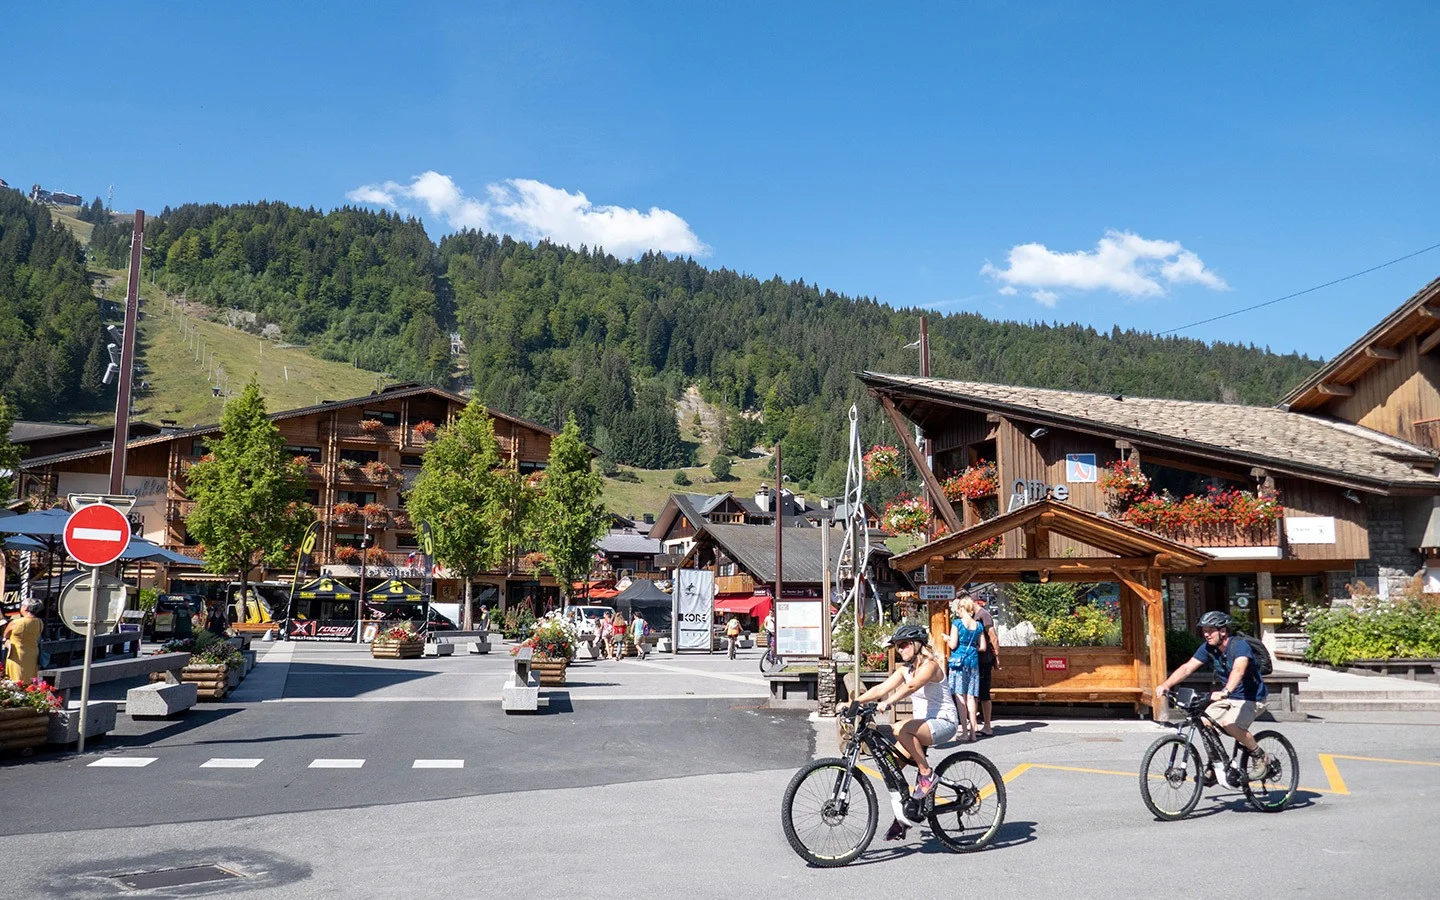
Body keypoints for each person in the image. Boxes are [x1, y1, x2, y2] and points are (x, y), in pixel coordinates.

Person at [848, 623, 959, 841]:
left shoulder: (931, 666)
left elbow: (912, 686)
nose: (900, 650)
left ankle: (927, 774)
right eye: (897, 647)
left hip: (943, 723)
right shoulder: (904, 670)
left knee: (901, 728)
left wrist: (887, 703)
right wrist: (853, 703)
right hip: (922, 727)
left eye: (904, 645)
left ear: (918, 645)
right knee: (892, 768)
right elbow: (880, 688)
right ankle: (905, 817)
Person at [1156, 610, 1273, 777]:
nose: (1206, 634)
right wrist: (1166, 684)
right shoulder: (1209, 648)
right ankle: (1217, 764)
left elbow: (1239, 670)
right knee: (1203, 722)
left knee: (1229, 723)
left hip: (1251, 698)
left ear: (1223, 631)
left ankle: (1259, 756)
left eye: (1210, 630)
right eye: (1204, 630)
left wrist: (1225, 691)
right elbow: (1187, 667)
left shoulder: (1239, 646)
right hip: (1229, 698)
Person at [945, 597, 984, 742]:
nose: (957, 612)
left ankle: (965, 732)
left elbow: (953, 645)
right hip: (973, 662)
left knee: (960, 697)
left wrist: (947, 639)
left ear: (961, 608)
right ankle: (974, 733)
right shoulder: (978, 625)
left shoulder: (957, 624)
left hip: (959, 662)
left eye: (958, 610)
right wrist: (972, 648)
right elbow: (983, 647)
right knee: (971, 697)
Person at [974, 593, 1001, 736]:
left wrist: (996, 657)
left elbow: (993, 637)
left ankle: (987, 725)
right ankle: (979, 725)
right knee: (976, 693)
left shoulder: (983, 615)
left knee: (984, 693)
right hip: (977, 659)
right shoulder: (975, 615)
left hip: (984, 659)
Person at [3, 599, 43, 684]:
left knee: (16, 678)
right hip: (33, 653)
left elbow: (5, 634)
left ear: (26, 608)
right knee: (30, 678)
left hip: (17, 653)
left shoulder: (16, 622)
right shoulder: (39, 622)